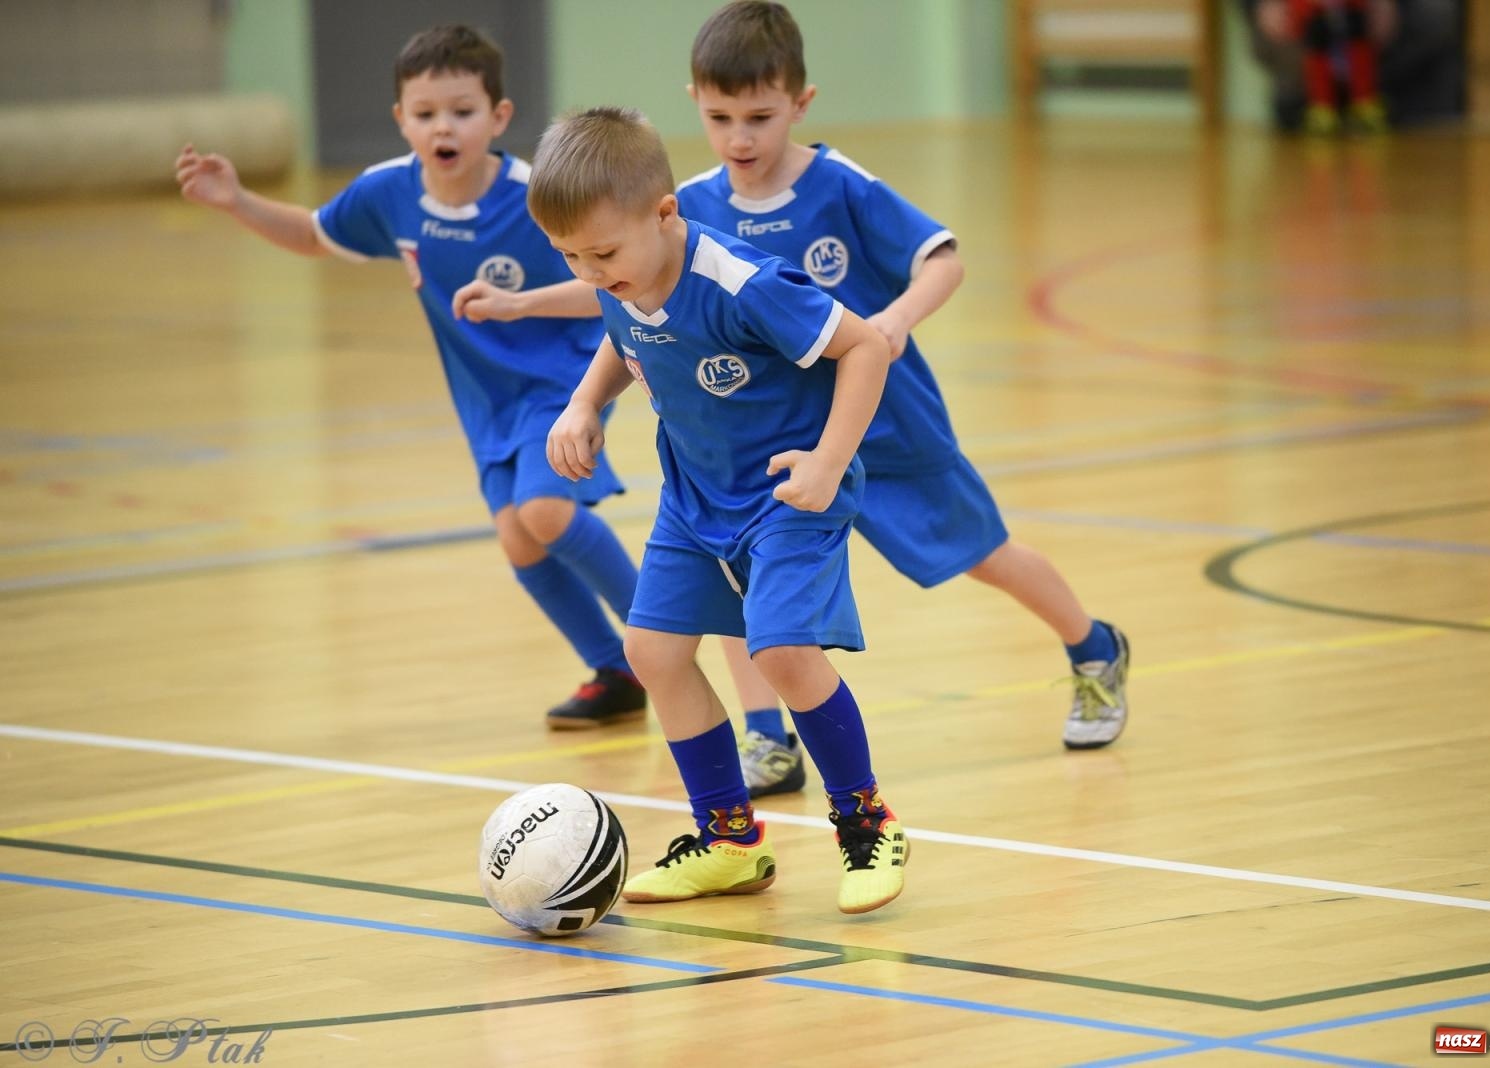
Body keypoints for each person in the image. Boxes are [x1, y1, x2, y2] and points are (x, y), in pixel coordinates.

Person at [676, 1, 1130, 796]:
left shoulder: (842, 187)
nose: (740, 139)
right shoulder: (691, 207)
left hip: (884, 424)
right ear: (695, 104)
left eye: (760, 116)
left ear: (802, 103)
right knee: (737, 578)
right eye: (721, 118)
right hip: (771, 439)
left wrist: (891, 321)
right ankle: (766, 738)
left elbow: (943, 258)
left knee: (979, 553)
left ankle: (1093, 646)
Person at [175, 25, 647, 729]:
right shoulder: (388, 195)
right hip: (485, 402)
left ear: (499, 118)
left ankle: (660, 632)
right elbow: (312, 235)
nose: (443, 127)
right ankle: (614, 673)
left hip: (566, 381)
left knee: (546, 513)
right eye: (425, 114)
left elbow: (615, 282)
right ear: (402, 121)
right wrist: (236, 201)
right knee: (519, 536)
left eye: (461, 111)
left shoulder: (539, 198)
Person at [530, 106, 906, 914]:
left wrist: (829, 462)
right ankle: (729, 842)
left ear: (667, 213)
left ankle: (867, 825)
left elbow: (867, 345)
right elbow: (621, 332)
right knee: (653, 653)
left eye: (601, 253)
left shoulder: (742, 281)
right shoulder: (620, 276)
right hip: (694, 496)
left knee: (781, 651)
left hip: (786, 493)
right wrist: (585, 403)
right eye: (569, 257)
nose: (591, 273)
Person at [1241, 0, 1464, 133]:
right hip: (1304, 42)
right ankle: (1314, 103)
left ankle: (1373, 100)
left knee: (1438, 11)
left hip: (1401, 82)